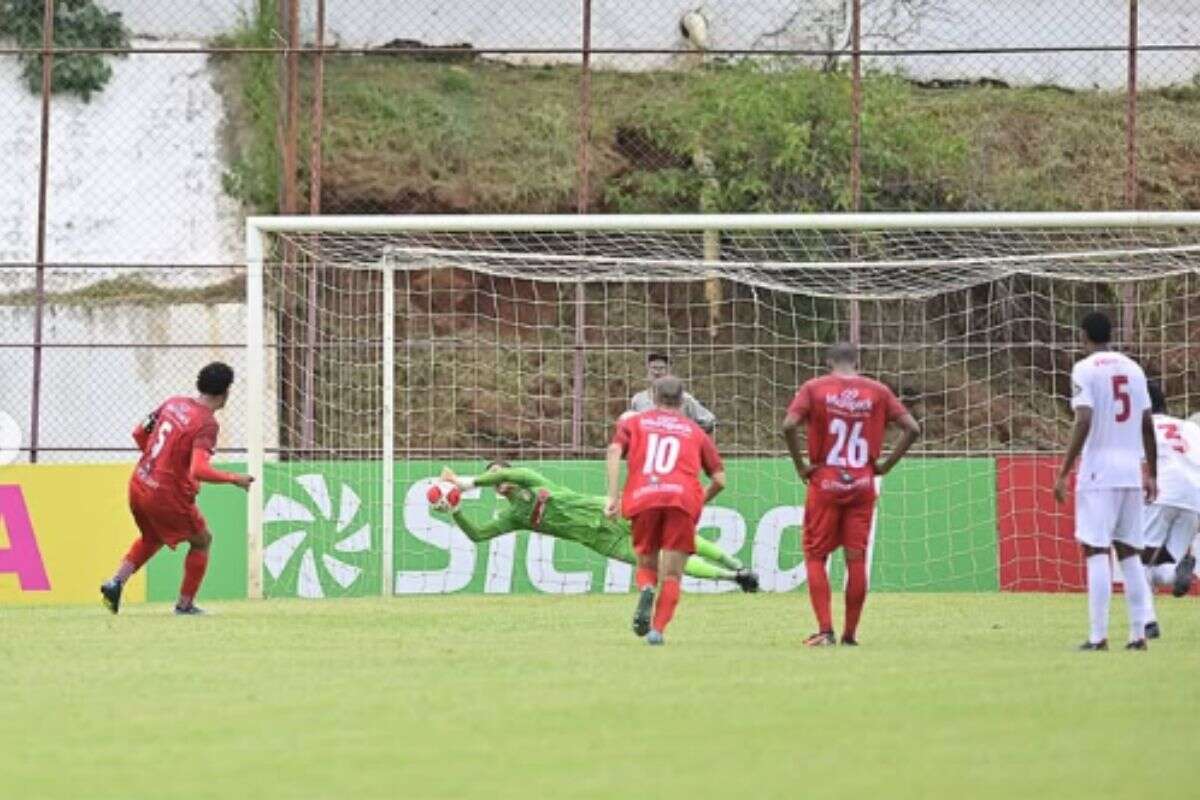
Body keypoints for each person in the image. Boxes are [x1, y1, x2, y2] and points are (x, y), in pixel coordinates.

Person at [781, 342, 920, 647]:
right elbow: (912, 428)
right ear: (857, 361)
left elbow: (789, 424)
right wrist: (885, 465)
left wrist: (801, 465)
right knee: (856, 558)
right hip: (861, 483)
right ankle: (850, 635)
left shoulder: (814, 388)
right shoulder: (877, 391)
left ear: (828, 361)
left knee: (816, 555)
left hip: (825, 482)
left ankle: (825, 630)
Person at [437, 462, 757, 592]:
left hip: (612, 512)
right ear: (497, 490)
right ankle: (735, 578)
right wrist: (456, 510)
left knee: (681, 538)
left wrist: (469, 482)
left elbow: (512, 473)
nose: (500, 480)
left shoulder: (531, 480)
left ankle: (735, 563)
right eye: (495, 479)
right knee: (665, 563)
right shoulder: (513, 517)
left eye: (499, 473)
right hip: (602, 541)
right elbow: (477, 536)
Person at [100, 362, 254, 615]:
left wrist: (157, 464)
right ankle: (185, 605)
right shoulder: (206, 424)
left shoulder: (173, 403)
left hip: (139, 483)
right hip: (165, 496)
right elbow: (199, 470)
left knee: (153, 537)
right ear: (225, 392)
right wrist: (234, 479)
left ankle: (115, 582)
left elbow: (139, 432)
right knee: (202, 541)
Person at [1053, 312, 1156, 651]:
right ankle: (1138, 634)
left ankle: (1098, 636)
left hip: (1099, 471)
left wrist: (1065, 469)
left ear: (1084, 335)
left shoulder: (1084, 369)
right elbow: (1145, 423)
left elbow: (1083, 420)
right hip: (1130, 470)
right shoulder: (1134, 368)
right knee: (1129, 553)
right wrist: (1151, 472)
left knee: (1096, 549)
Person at [607, 376, 726, 645]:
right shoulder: (695, 431)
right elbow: (720, 480)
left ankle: (647, 588)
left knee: (647, 564)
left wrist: (612, 497)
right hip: (681, 500)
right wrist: (699, 501)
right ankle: (657, 631)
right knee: (672, 575)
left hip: (643, 497)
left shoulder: (635, 422)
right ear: (683, 400)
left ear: (652, 396)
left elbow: (614, 450)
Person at [1139, 381, 1200, 637]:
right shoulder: (1189, 427)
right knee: (1163, 565)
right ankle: (1179, 573)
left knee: (1136, 562)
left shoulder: (1142, 427)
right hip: (1194, 497)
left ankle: (1147, 622)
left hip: (1163, 491)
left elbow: (1140, 463)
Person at [629, 352, 716, 433]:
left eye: (661, 368)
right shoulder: (638, 399)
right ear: (648, 370)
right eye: (653, 368)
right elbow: (630, 426)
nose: (656, 372)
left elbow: (709, 421)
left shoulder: (684, 398)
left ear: (668, 371)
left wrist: (688, 432)